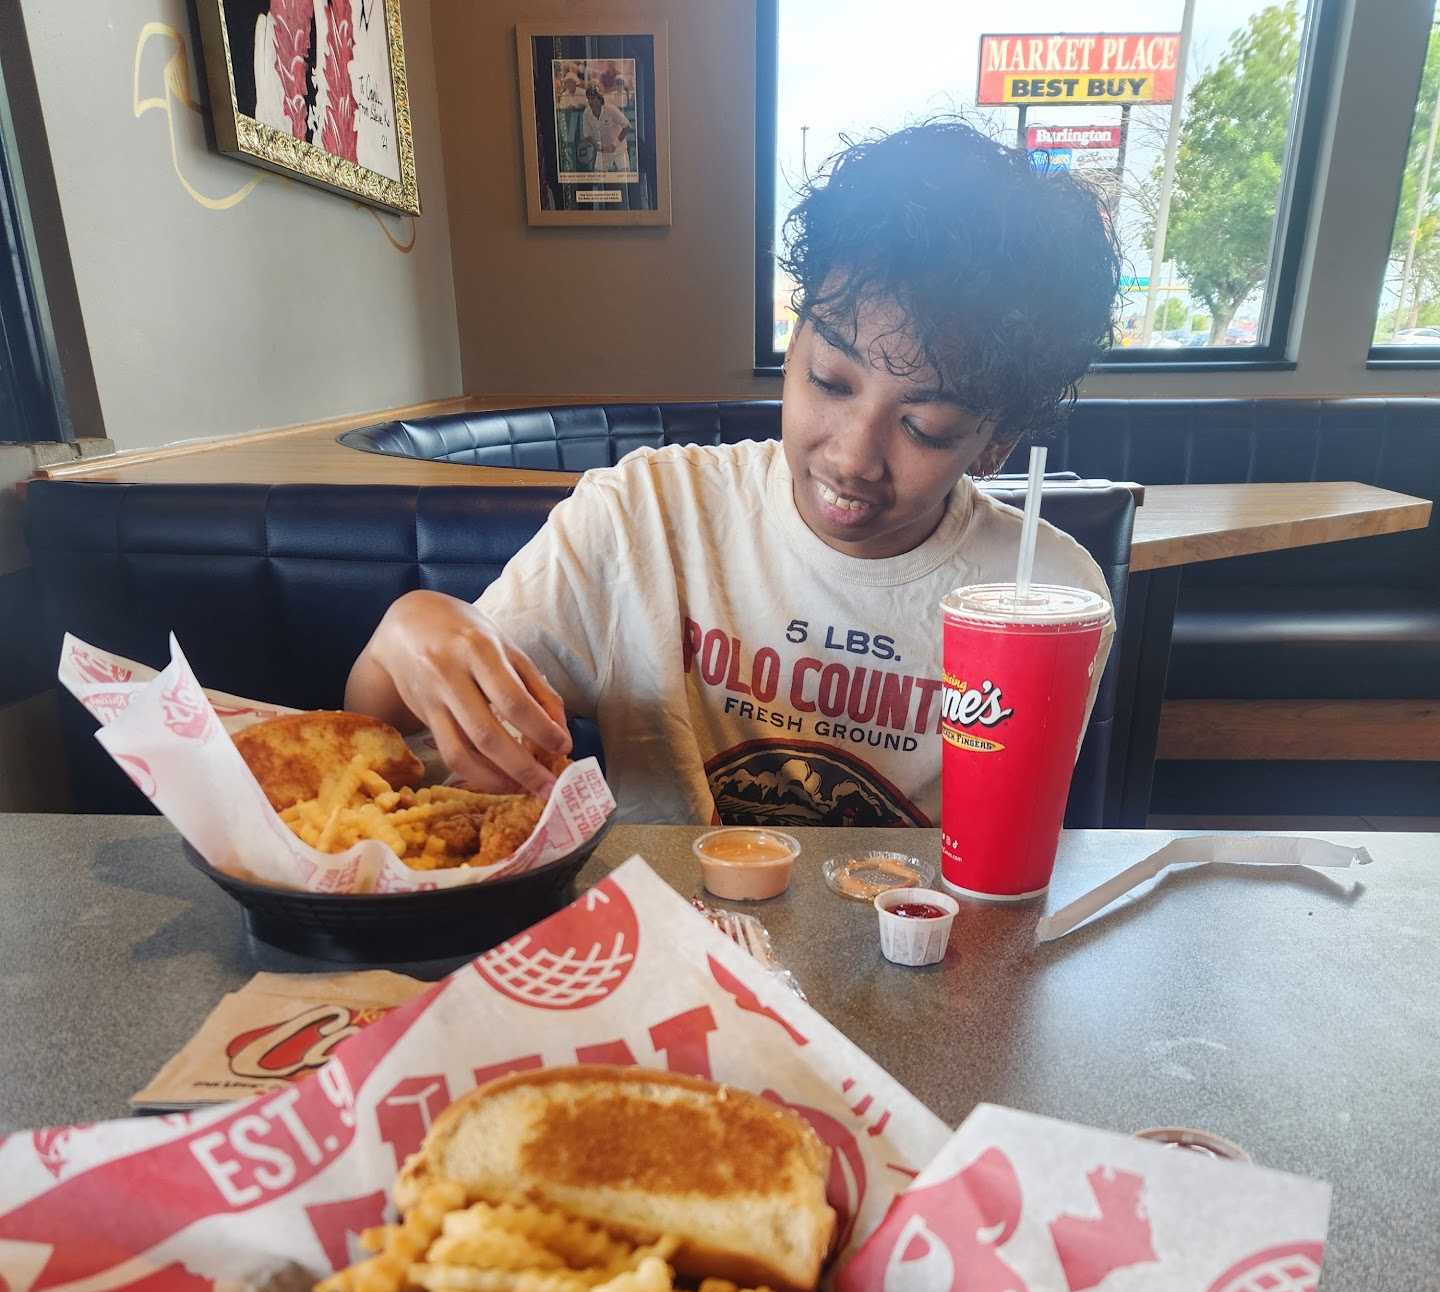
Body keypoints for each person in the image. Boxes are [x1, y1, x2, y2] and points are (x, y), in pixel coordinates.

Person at [346, 119, 1121, 827]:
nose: (852, 457)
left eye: (925, 427)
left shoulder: (1047, 597)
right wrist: (401, 639)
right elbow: (399, 755)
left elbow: (1011, 860)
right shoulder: (642, 515)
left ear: (992, 445)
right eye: (830, 381)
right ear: (794, 344)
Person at [581, 82, 633, 175]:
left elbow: (627, 127)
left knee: (625, 176)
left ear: (600, 99)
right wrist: (596, 145)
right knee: (597, 179)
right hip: (603, 151)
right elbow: (587, 136)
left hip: (619, 149)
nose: (590, 102)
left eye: (593, 98)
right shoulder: (586, 113)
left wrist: (614, 145)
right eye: (588, 98)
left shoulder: (611, 110)